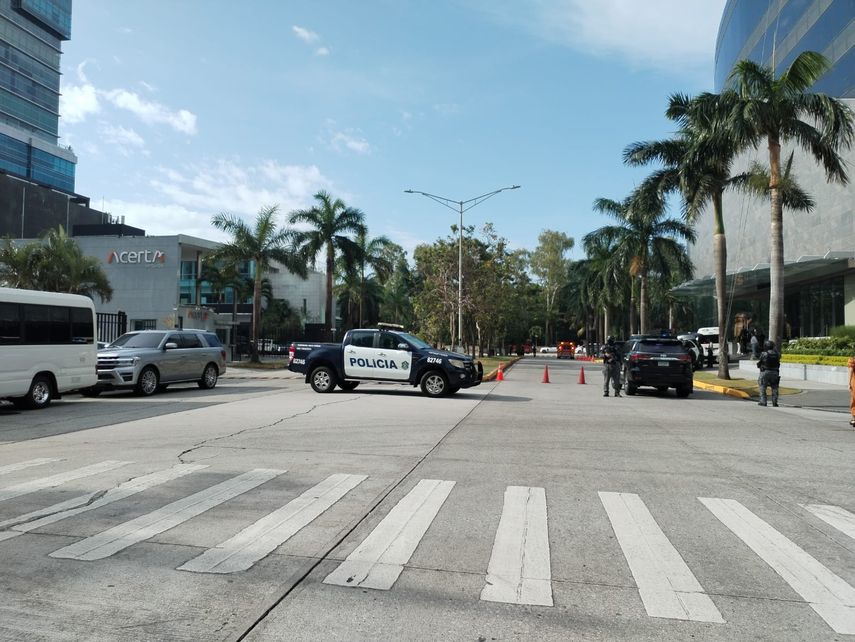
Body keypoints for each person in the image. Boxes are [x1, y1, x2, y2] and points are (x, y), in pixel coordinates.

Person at [757, 340, 781, 407]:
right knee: (775, 388)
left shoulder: (764, 353)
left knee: (762, 387)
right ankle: (775, 402)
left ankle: (763, 401)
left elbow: (760, 362)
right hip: (775, 372)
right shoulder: (778, 354)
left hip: (765, 372)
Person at [848, 356, 855, 427]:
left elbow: (851, 371)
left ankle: (854, 418)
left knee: (854, 400)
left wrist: (849, 383)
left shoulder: (852, 360)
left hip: (854, 383)